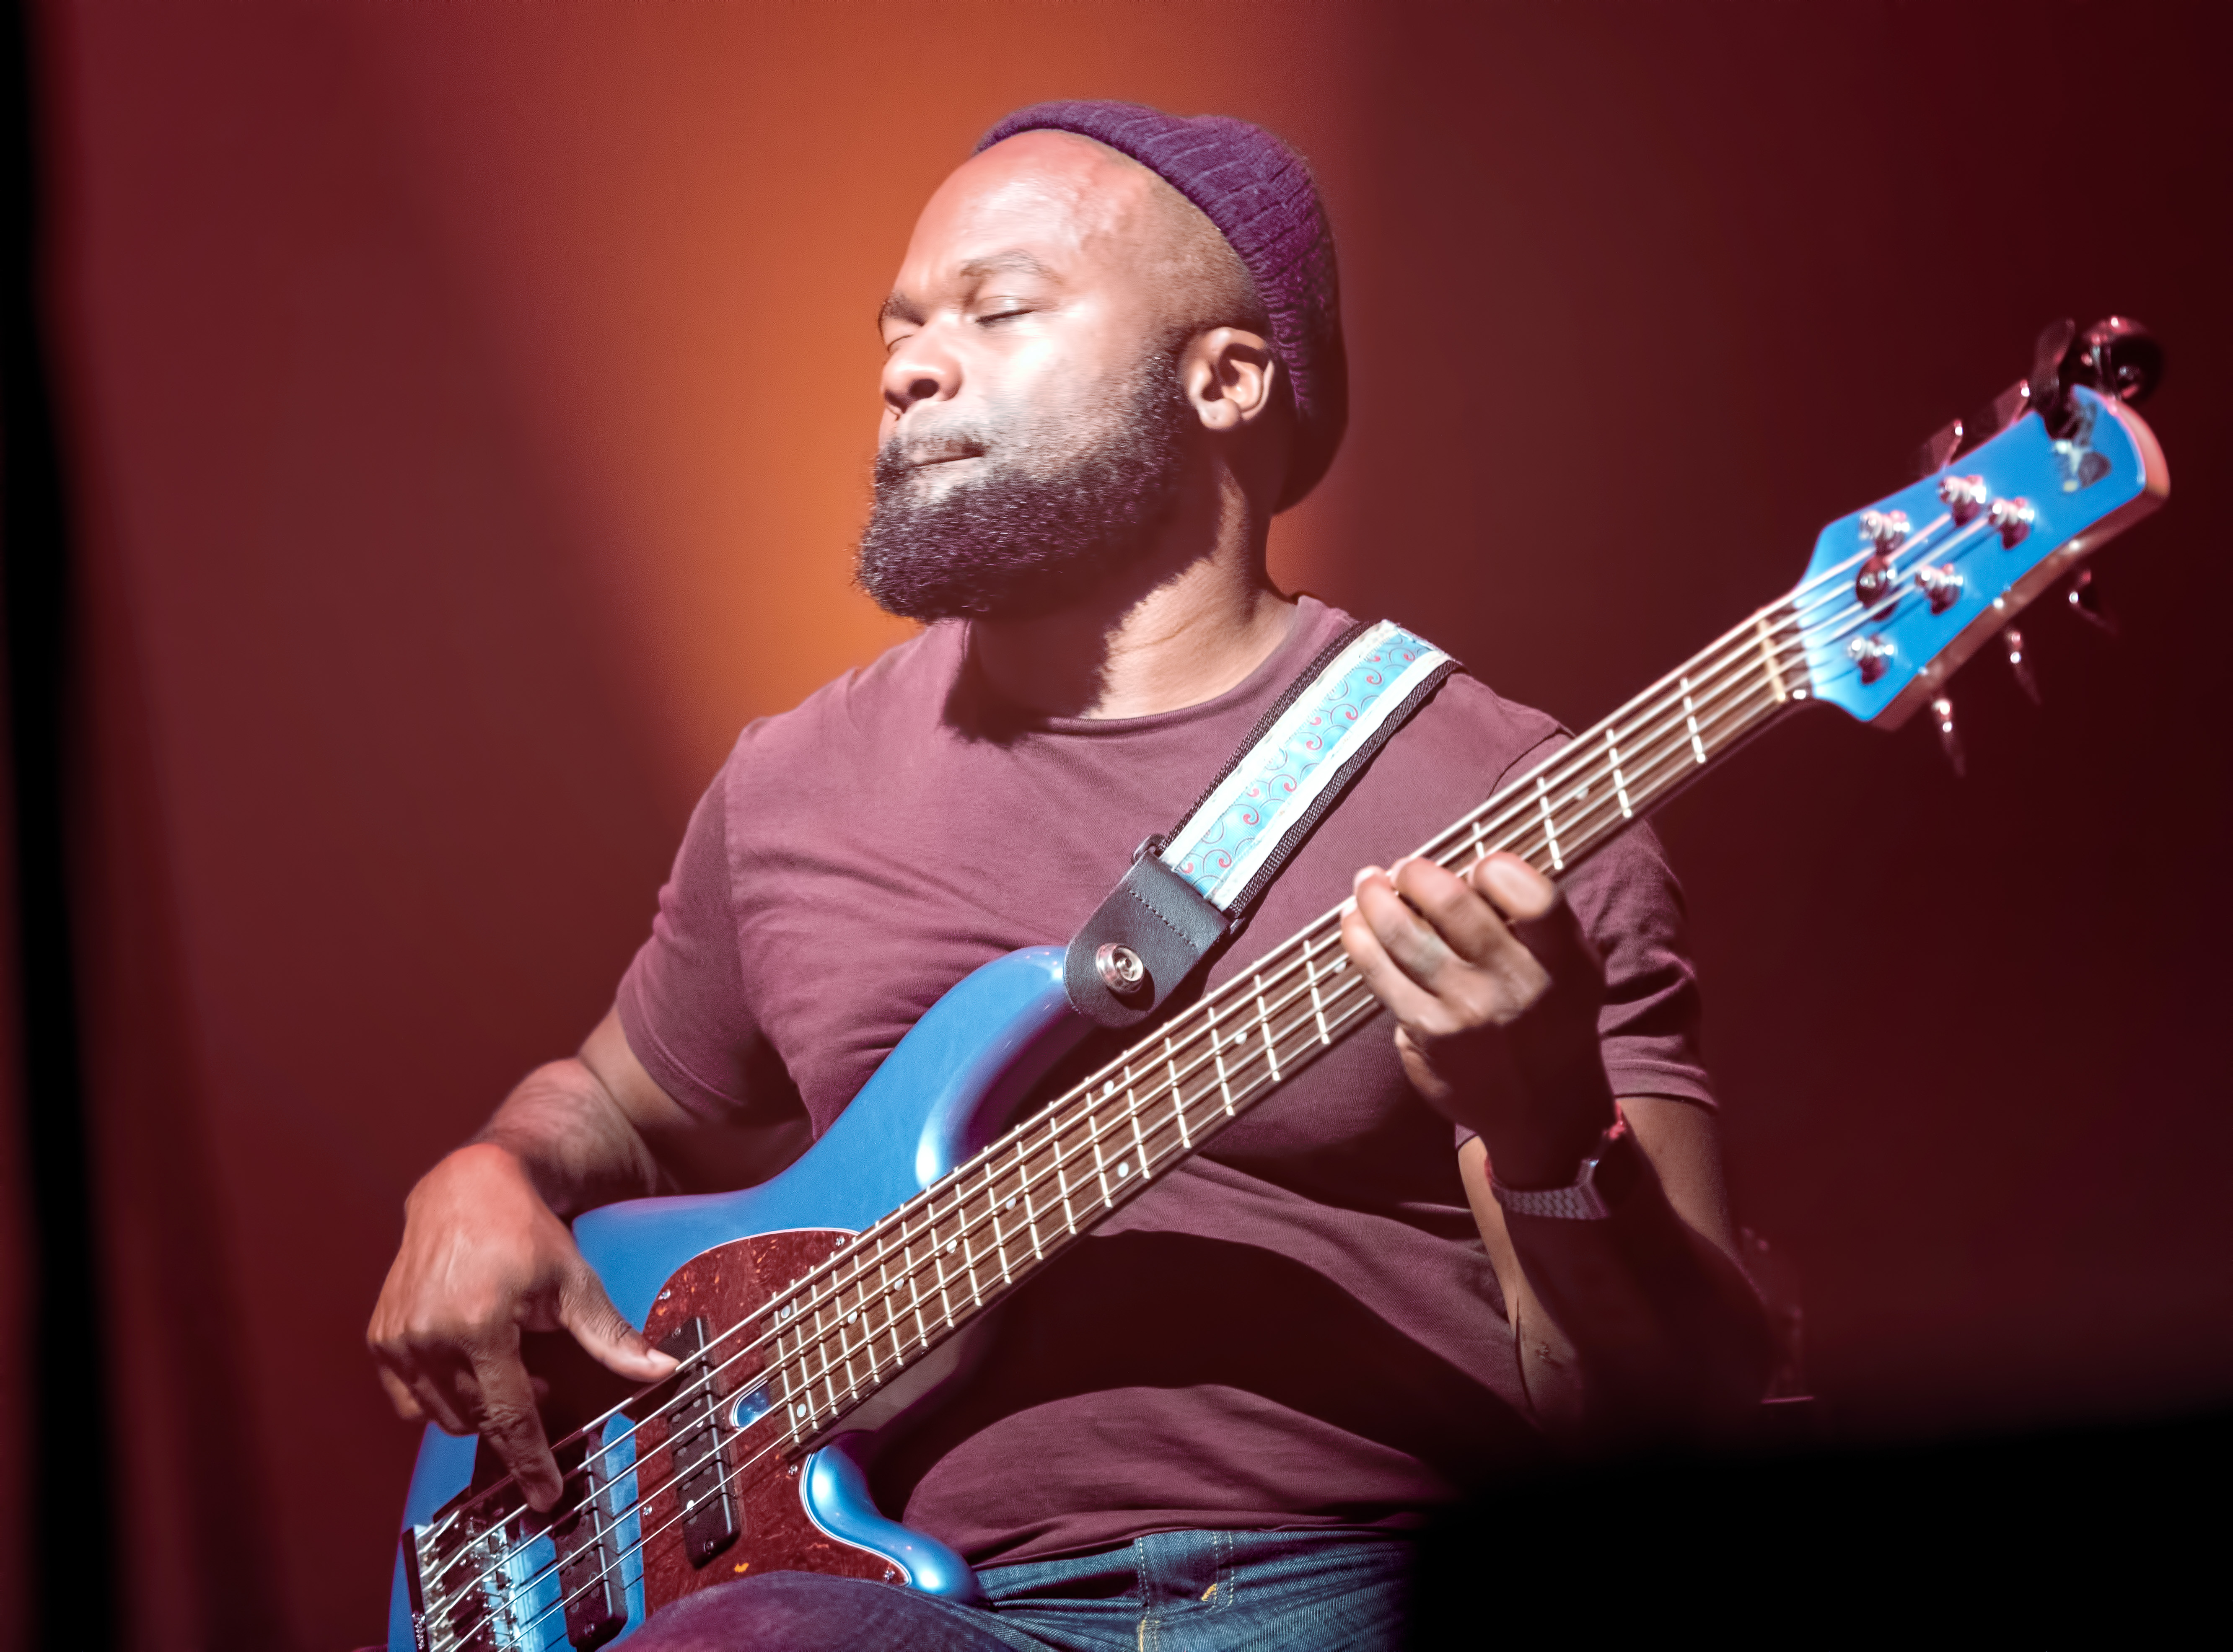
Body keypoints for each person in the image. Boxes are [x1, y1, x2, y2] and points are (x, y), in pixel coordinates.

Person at [368, 100, 1772, 1650]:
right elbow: (622, 1101)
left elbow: (1673, 1418)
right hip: (888, 1606)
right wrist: (491, 1173)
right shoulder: (793, 785)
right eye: (899, 329)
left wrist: (1550, 1129)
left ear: (1226, 380)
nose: (909, 366)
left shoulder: (1509, 801)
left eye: (1000, 309)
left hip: (1349, 1581)